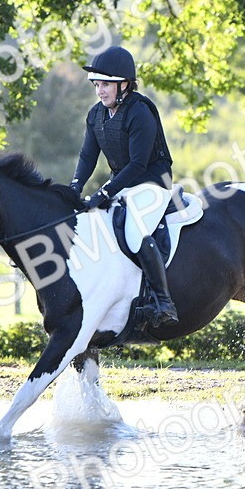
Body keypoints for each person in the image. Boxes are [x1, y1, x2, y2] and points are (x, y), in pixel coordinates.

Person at [71, 45, 178, 328]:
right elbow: (87, 156)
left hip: (153, 183)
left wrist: (104, 192)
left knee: (133, 232)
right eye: (97, 84)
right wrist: (74, 188)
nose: (100, 90)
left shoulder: (140, 111)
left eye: (105, 84)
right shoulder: (96, 115)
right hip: (124, 184)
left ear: (124, 85)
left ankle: (163, 301)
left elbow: (138, 164)